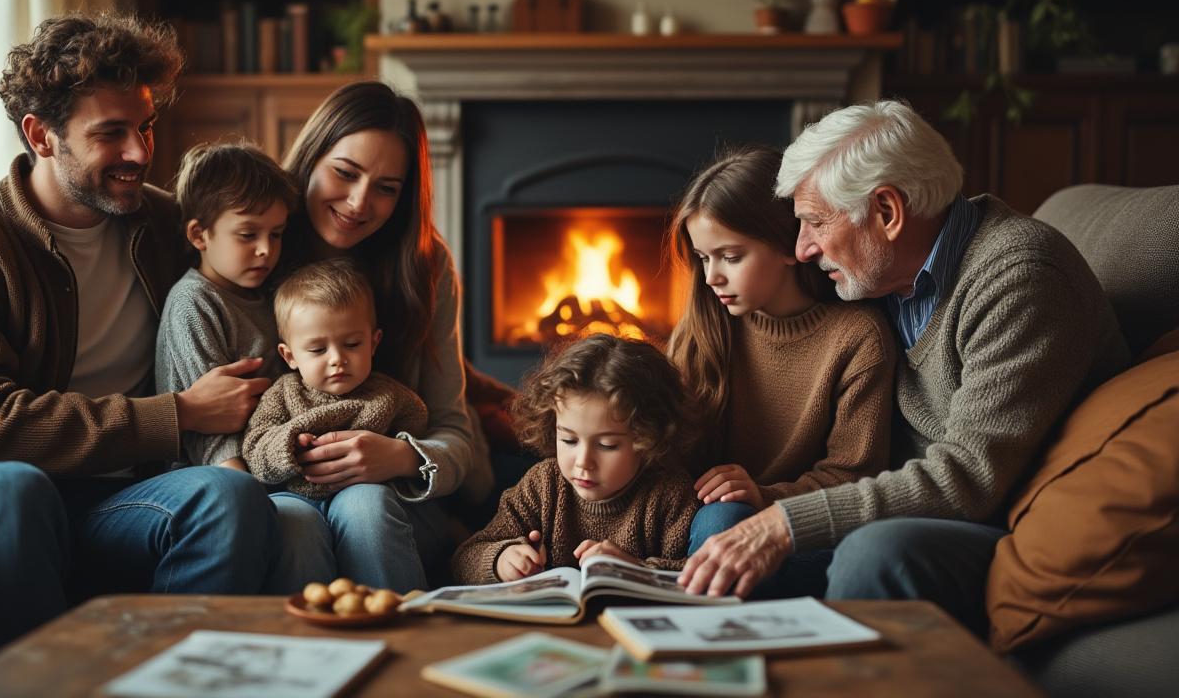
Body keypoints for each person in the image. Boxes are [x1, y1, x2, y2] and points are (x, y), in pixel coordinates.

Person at [0, 12, 283, 663]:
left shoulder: (168, 224)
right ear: (40, 136)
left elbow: (282, 284)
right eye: (110, 134)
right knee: (12, 487)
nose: (140, 152)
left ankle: (177, 680)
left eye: (145, 126)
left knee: (229, 494)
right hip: (15, 492)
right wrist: (179, 413)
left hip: (134, 494)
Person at [679, 100, 1129, 633]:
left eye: (816, 223)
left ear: (888, 212)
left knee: (871, 554)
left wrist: (783, 522)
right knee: (724, 528)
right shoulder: (886, 274)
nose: (802, 249)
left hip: (993, 520)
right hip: (897, 508)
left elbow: (969, 481)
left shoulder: (1021, 278)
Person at [274, 80, 493, 585]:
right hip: (287, 493)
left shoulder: (424, 267)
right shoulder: (257, 246)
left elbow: (453, 428)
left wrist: (402, 456)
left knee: (365, 506)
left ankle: (400, 631)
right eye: (345, 173)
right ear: (310, 157)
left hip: (398, 496)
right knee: (293, 524)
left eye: (386, 188)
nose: (358, 202)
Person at [666, 144, 895, 598]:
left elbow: (853, 476)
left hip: (800, 534)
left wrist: (763, 495)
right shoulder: (704, 329)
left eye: (731, 257)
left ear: (789, 245)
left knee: (724, 518)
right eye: (704, 258)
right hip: (695, 520)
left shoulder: (858, 338)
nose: (711, 277)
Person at [241, 257, 429, 591]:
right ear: (289, 356)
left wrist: (396, 451)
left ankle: (395, 607)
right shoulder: (282, 394)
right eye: (317, 349)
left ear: (374, 342)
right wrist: (287, 444)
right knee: (290, 523)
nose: (337, 359)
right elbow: (255, 448)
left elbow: (417, 425)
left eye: (352, 344)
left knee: (369, 508)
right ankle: (307, 616)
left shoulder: (389, 395)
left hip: (363, 489)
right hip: (295, 494)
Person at [450, 334, 699, 584]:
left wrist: (636, 569)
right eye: (569, 440)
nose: (583, 462)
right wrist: (501, 560)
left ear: (649, 438)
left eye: (607, 445)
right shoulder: (543, 485)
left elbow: (698, 573)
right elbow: (465, 558)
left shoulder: (670, 495)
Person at [154, 141, 302, 470]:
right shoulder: (193, 302)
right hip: (216, 476)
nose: (266, 250)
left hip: (276, 461)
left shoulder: (269, 294)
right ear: (199, 235)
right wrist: (248, 492)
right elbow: (211, 433)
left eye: (276, 234)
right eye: (248, 235)